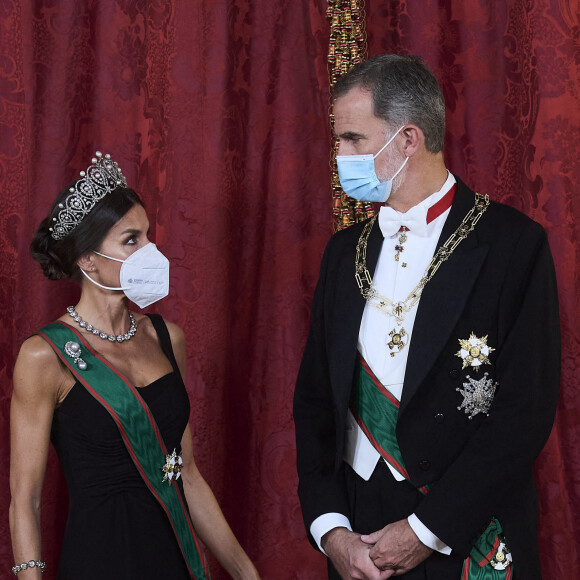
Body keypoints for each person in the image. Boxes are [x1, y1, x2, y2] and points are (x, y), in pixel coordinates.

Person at [293, 54, 560, 580]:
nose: (340, 156)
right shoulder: (343, 252)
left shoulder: (511, 246)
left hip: (464, 532)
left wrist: (426, 530)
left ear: (408, 139)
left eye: (353, 139)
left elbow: (523, 413)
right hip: (359, 538)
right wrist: (330, 529)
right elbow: (315, 402)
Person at [9, 152, 260, 580]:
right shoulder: (44, 356)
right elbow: (25, 500)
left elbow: (188, 475)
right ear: (88, 259)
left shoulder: (166, 338)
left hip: (173, 557)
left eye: (148, 236)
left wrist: (247, 574)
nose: (150, 250)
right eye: (131, 240)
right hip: (100, 561)